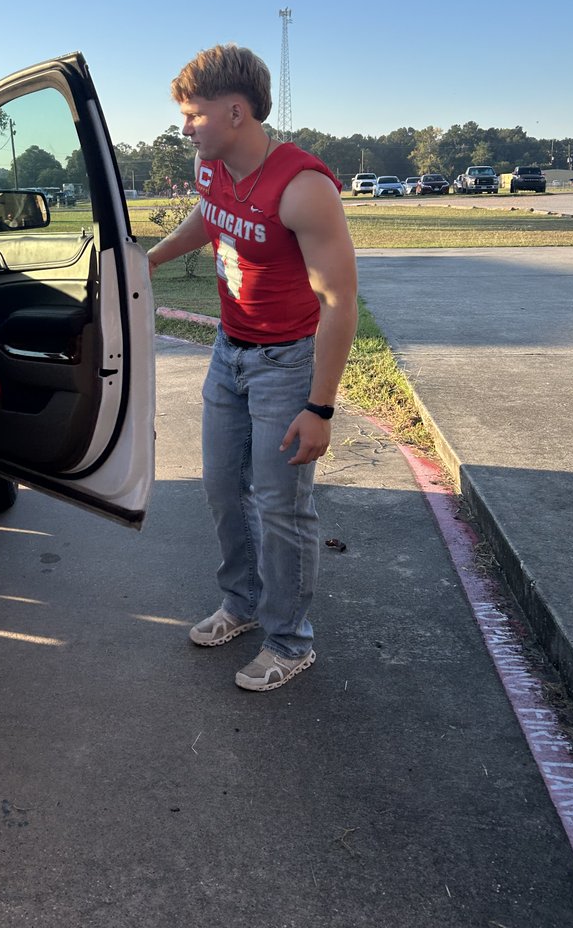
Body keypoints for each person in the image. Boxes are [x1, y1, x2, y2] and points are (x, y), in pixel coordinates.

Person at [147, 44, 358, 692]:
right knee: (221, 488)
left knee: (282, 506)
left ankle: (291, 641)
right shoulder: (210, 168)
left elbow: (340, 300)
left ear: (235, 112)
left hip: (286, 365)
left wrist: (319, 407)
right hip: (229, 353)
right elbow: (207, 220)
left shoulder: (302, 188)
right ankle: (241, 604)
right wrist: (144, 261)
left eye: (193, 115)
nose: (185, 127)